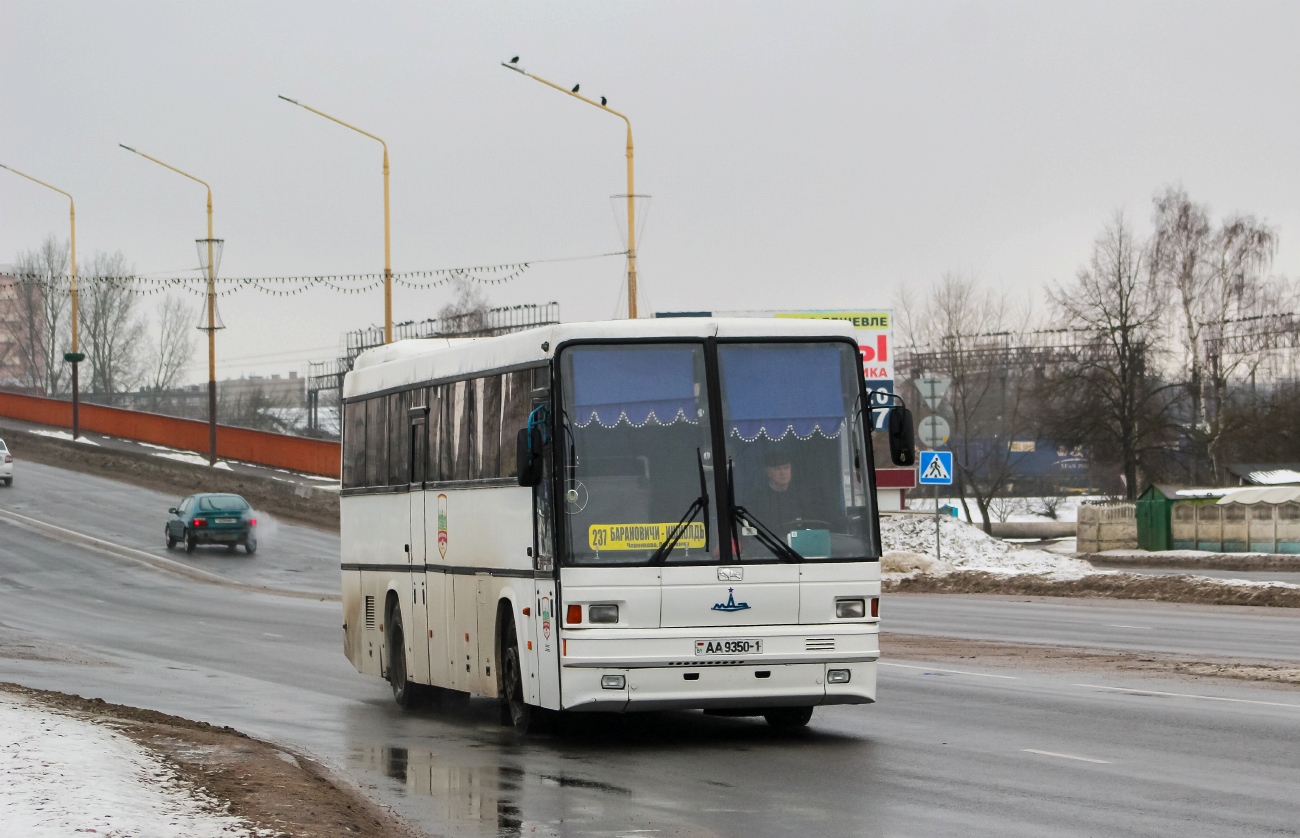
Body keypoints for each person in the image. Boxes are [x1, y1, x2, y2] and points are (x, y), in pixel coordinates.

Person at [740, 446, 818, 536]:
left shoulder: (802, 496)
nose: (783, 472)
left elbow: (813, 525)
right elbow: (750, 530)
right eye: (778, 469)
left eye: (786, 468)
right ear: (769, 472)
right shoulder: (756, 499)